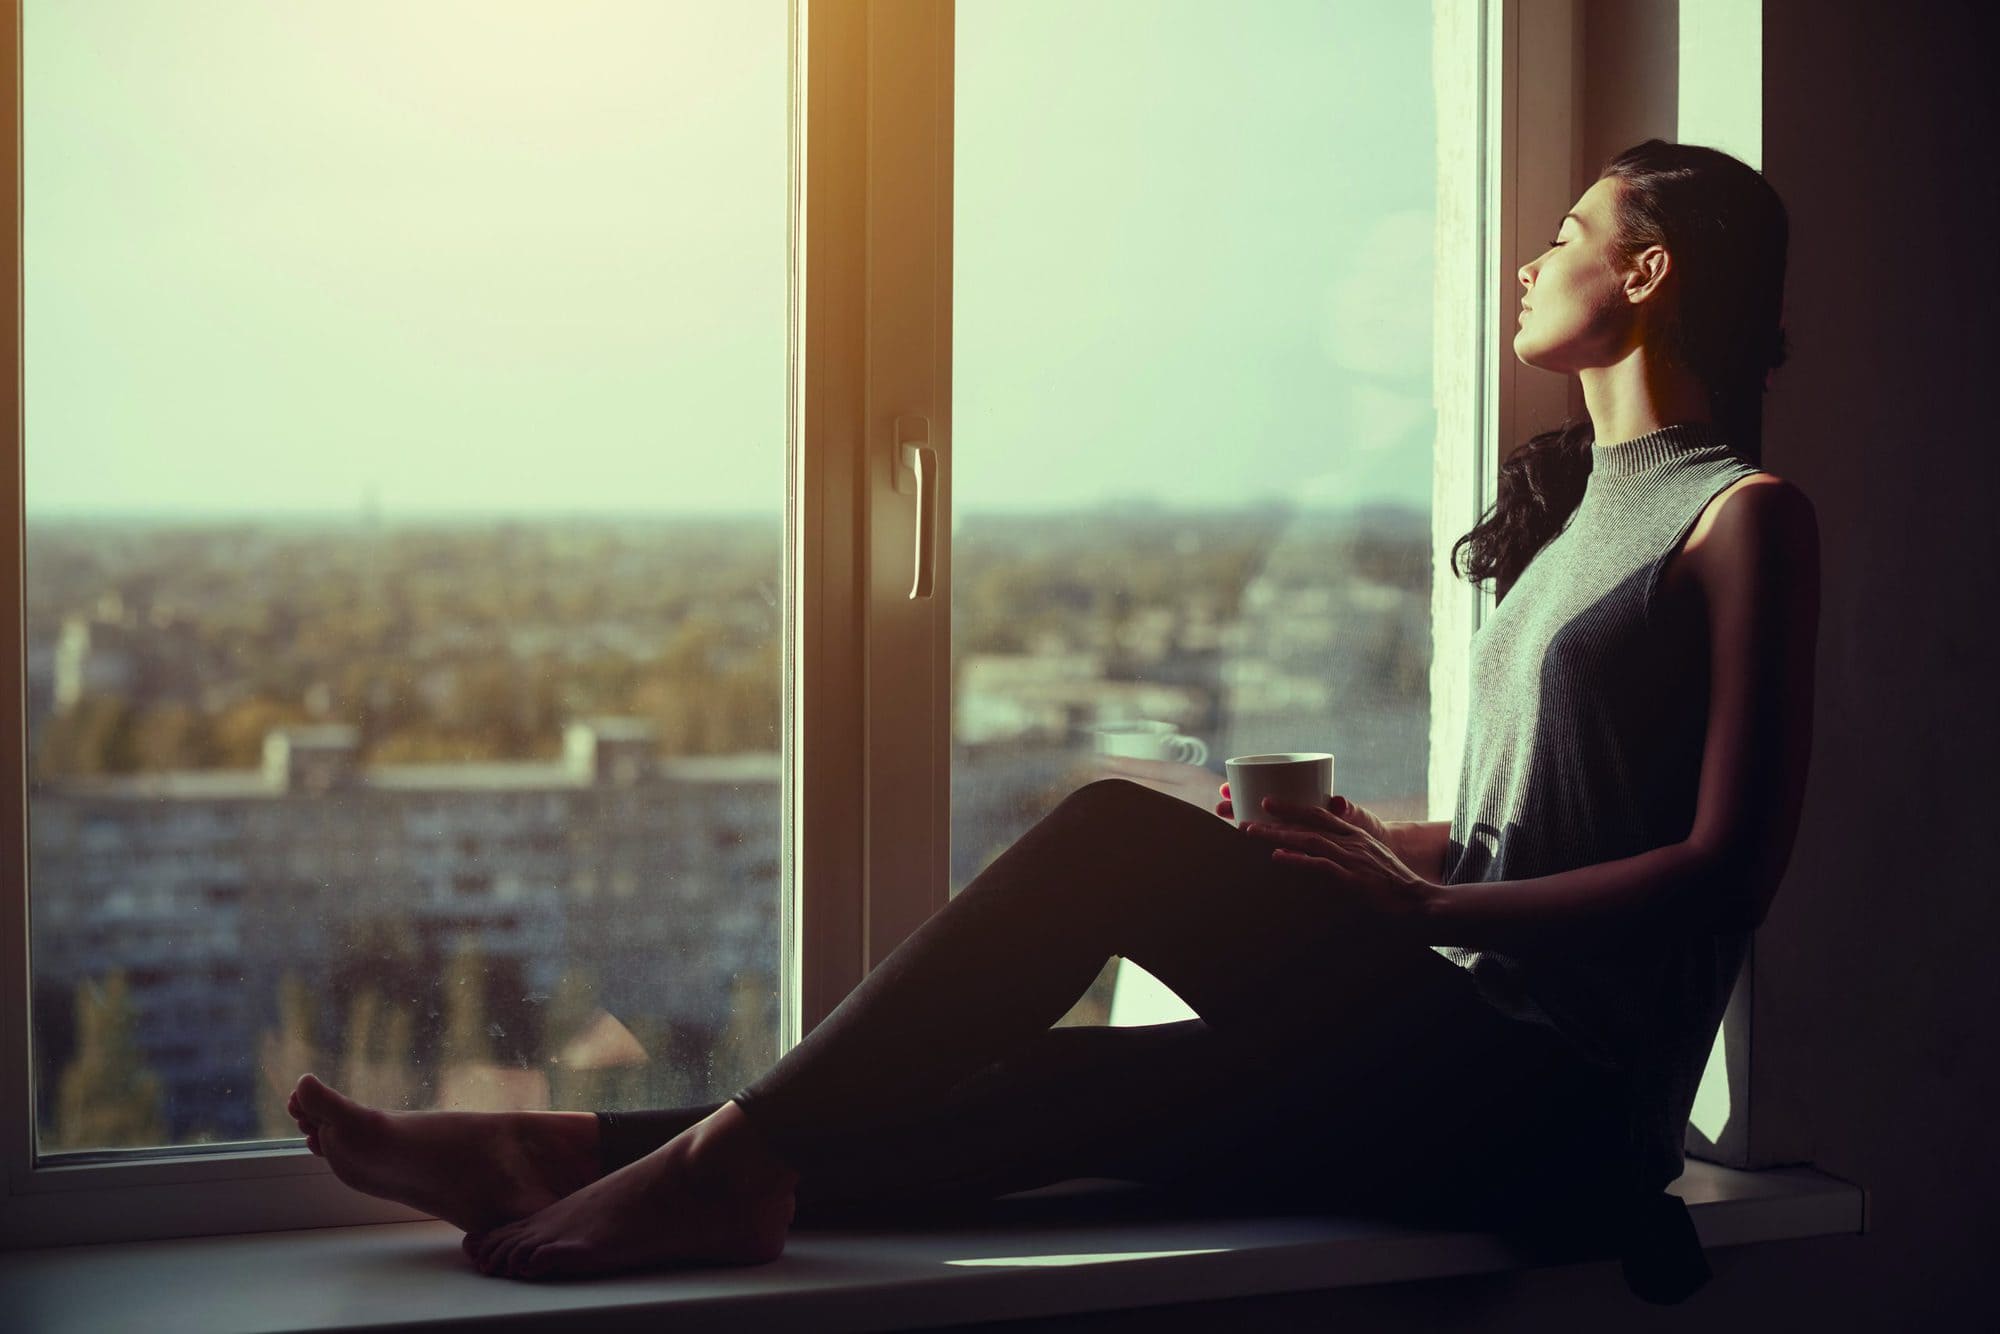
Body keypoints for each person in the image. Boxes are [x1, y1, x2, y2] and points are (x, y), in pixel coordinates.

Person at [286, 139, 1817, 1302]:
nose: (1536, 260)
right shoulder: (1570, 525)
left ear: (1651, 272)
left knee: (1105, 836)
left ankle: (714, 1161)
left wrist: (1429, 902)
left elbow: (1727, 868)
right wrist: (1371, 853)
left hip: (1564, 1108)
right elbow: (1533, 822)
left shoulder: (1745, 517)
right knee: (1069, 1088)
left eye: (1570, 236)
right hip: (1455, 1049)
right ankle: (558, 1152)